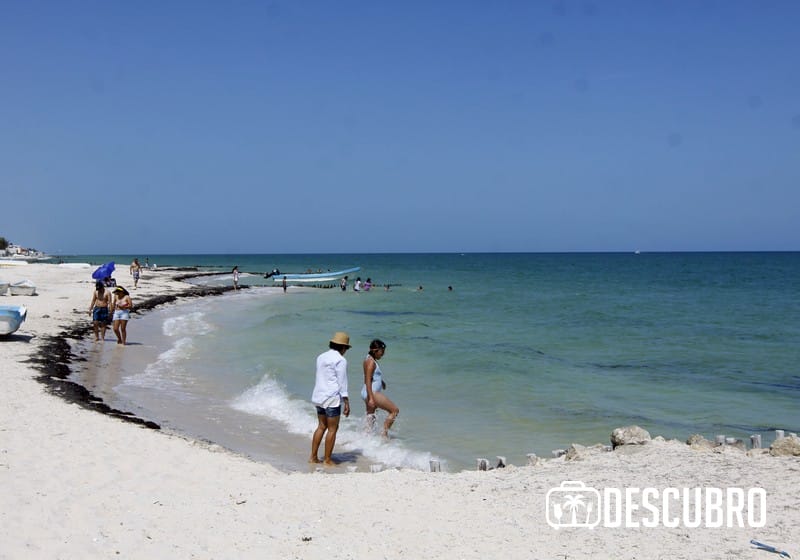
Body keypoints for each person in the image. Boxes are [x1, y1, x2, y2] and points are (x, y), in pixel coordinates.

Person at [310, 332, 351, 466]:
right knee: (333, 429)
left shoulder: (321, 357)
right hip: (332, 398)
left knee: (321, 426)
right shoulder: (341, 360)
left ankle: (313, 457)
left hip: (319, 396)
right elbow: (342, 382)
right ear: (343, 347)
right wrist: (346, 402)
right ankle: (327, 460)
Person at [361, 339, 399, 438]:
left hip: (367, 391)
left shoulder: (368, 359)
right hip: (372, 392)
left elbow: (370, 376)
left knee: (371, 417)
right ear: (375, 350)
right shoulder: (371, 362)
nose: (383, 354)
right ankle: (384, 434)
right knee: (394, 411)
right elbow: (368, 380)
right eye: (382, 352)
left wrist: (381, 382)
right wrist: (372, 398)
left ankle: (366, 438)